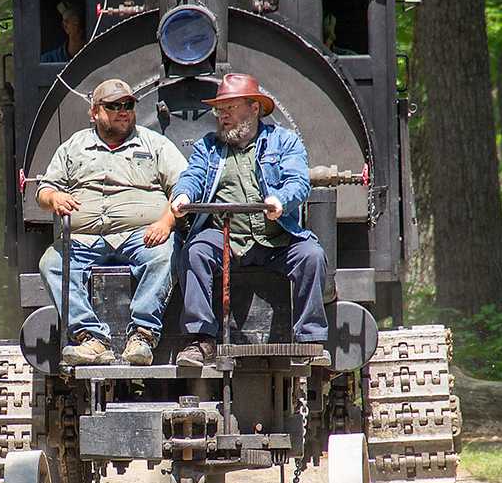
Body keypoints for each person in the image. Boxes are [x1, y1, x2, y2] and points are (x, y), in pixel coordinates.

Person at [169, 72, 327, 365]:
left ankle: (310, 341)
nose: (223, 116)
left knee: (312, 255)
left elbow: (298, 181)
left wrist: (281, 200)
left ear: (254, 108)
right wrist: (183, 196)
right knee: (195, 251)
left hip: (275, 238)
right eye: (220, 110)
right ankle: (200, 340)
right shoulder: (208, 147)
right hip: (226, 238)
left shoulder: (284, 141)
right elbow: (192, 177)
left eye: (230, 108)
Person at [37, 78, 185, 366]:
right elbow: (44, 190)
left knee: (166, 253)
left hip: (141, 236)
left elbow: (184, 188)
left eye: (128, 105)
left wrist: (167, 223)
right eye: (113, 106)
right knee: (51, 263)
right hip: (85, 239)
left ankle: (142, 336)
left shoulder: (155, 144)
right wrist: (54, 198)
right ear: (95, 113)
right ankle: (91, 339)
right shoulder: (73, 147)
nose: (123, 111)